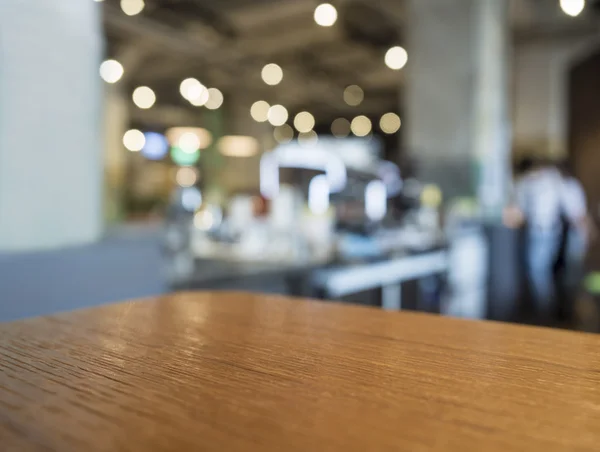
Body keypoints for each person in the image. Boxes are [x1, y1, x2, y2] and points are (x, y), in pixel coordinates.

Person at [512, 158, 566, 324]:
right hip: (553, 230)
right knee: (544, 271)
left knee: (538, 271)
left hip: (540, 231)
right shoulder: (553, 178)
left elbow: (519, 213)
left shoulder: (526, 182)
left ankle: (545, 313)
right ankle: (549, 310)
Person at [554, 160, 592, 322]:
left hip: (573, 234)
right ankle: (571, 308)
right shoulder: (570, 186)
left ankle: (572, 309)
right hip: (573, 233)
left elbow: (578, 215)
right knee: (572, 270)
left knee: (572, 271)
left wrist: (586, 232)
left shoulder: (567, 187)